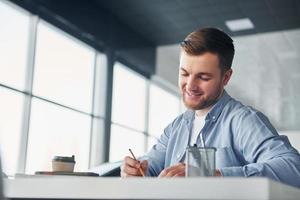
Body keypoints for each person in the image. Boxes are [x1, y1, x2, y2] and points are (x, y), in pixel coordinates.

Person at [120, 27, 300, 188]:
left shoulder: (242, 121)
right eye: (184, 73)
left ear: (226, 78)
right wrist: (135, 170)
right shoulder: (176, 127)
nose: (190, 86)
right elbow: (150, 168)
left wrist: (214, 176)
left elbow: (293, 168)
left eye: (203, 77)